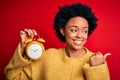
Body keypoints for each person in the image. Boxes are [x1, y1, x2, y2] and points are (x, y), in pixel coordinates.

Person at [4, 3, 111, 80]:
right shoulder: (48, 56)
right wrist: (23, 48)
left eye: (85, 31)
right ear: (63, 31)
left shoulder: (97, 61)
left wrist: (96, 69)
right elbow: (11, 77)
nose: (80, 35)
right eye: (74, 30)